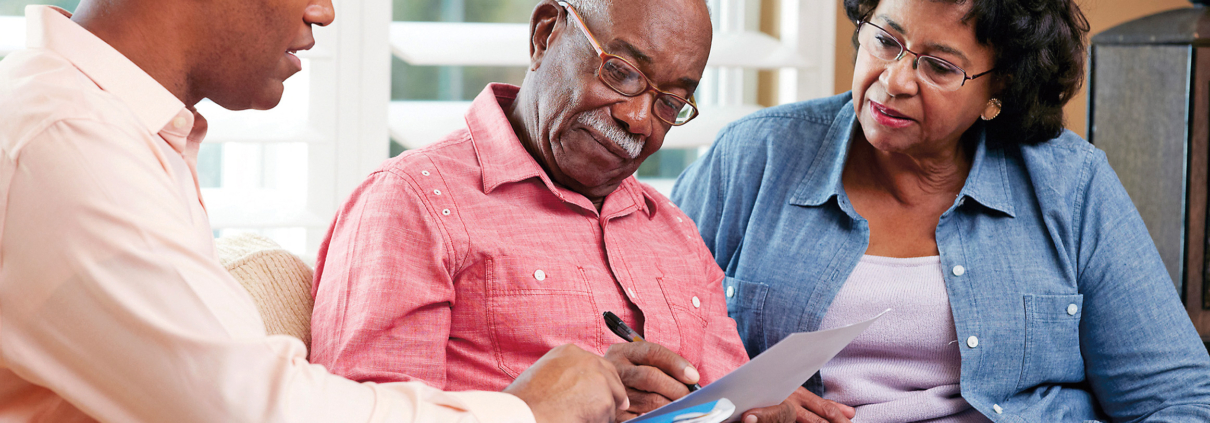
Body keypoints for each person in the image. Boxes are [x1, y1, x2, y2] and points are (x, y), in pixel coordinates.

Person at [0, 0, 631, 421]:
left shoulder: (113, 129)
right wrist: (522, 411)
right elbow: (252, 408)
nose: (325, 11)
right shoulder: (63, 139)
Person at [309, 1, 852, 422]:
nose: (640, 120)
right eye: (622, 73)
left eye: (668, 103)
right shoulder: (412, 204)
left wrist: (761, 408)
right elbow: (362, 414)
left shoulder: (675, 232)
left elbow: (725, 396)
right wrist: (542, 408)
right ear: (546, 34)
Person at [672, 0, 1210, 421]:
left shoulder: (1071, 185)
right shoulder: (754, 156)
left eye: (939, 66)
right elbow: (646, 343)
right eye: (885, 40)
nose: (895, 80)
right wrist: (733, 399)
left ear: (999, 89)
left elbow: (1175, 399)